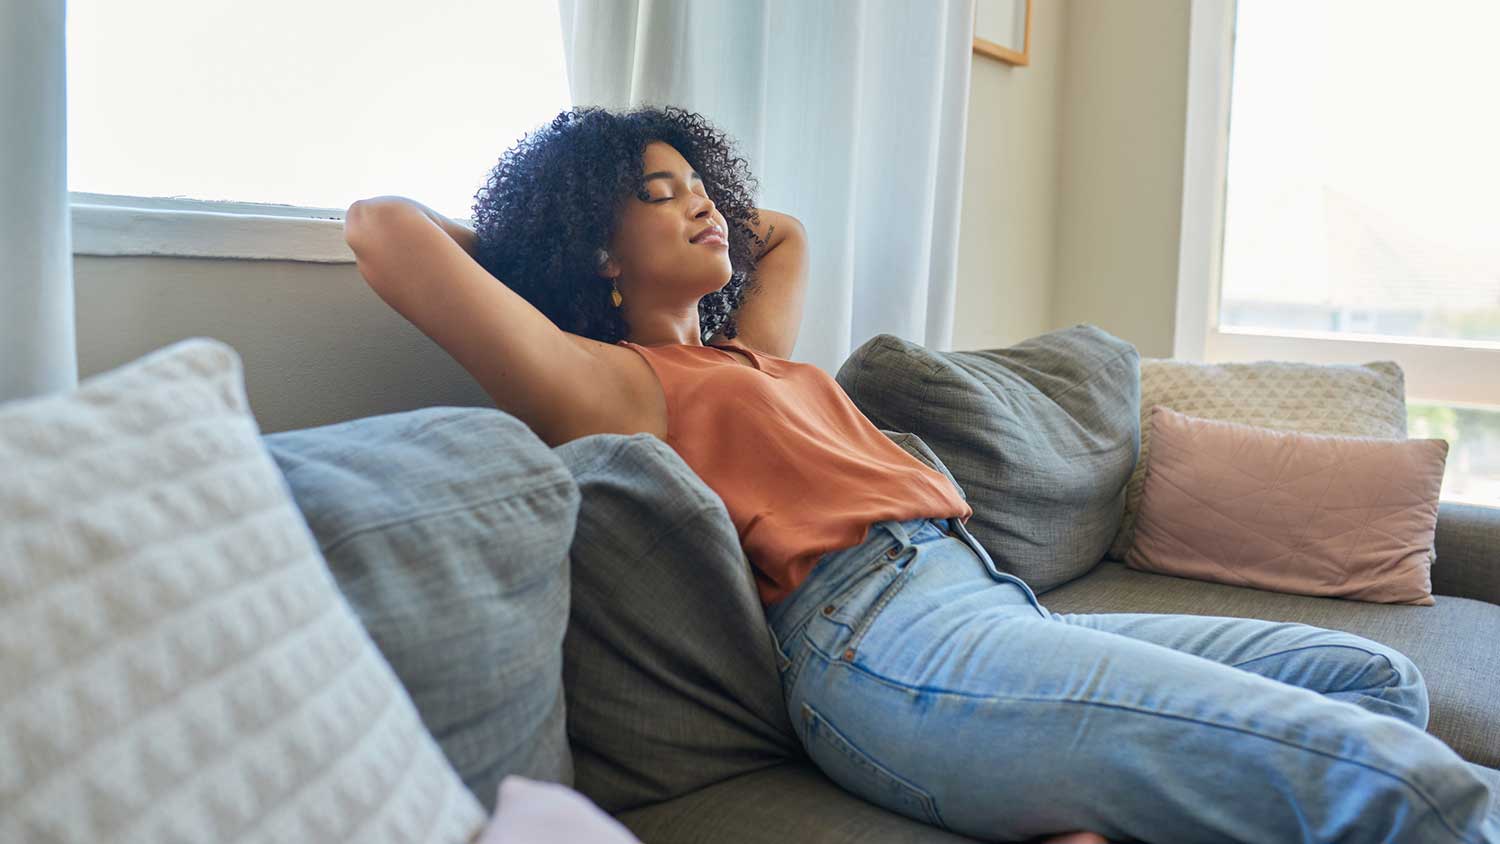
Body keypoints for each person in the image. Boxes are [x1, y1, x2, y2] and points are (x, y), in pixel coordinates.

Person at [343, 105, 1499, 843]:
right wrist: (546, 239)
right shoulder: (613, 382)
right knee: (1396, 778)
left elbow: (779, 234)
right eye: (659, 194)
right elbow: (384, 230)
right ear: (591, 250)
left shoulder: (754, 355)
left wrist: (672, 191)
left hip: (986, 595)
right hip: (884, 645)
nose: (702, 201)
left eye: (699, 182)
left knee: (1370, 683)